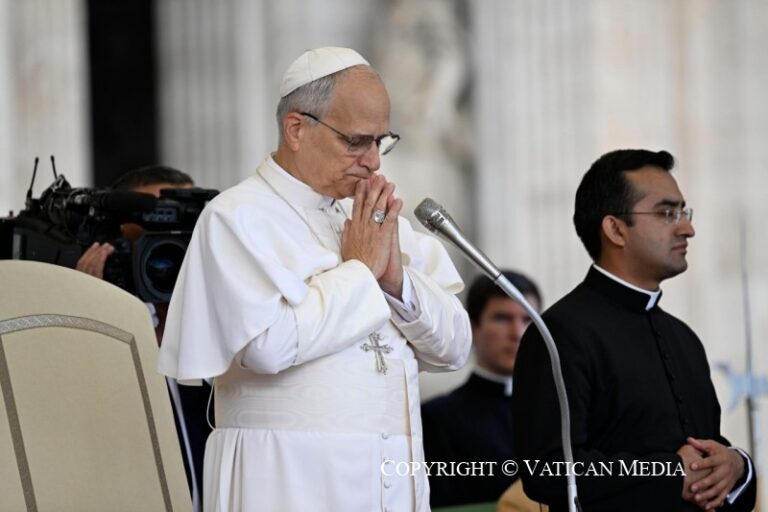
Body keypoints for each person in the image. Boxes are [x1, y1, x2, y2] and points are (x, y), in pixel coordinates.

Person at [157, 47, 472, 512]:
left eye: (381, 142)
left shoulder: (375, 218)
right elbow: (265, 347)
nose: (374, 162)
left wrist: (395, 283)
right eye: (356, 141)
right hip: (286, 482)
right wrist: (360, 272)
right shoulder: (237, 217)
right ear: (297, 129)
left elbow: (455, 349)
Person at [512, 149, 756, 511]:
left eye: (684, 213)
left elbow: (706, 454)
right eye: (667, 213)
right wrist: (668, 474)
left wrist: (737, 466)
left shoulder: (684, 338)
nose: (687, 228)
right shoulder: (559, 333)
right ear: (615, 229)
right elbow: (547, 471)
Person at [75, 165, 210, 511]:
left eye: (186, 226)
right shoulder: (94, 330)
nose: (171, 248)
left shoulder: (218, 326)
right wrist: (88, 313)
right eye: (152, 226)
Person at [421, 270, 541, 508]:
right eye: (502, 318)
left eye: (528, 320)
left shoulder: (562, 413)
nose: (517, 333)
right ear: (473, 327)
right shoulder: (437, 419)